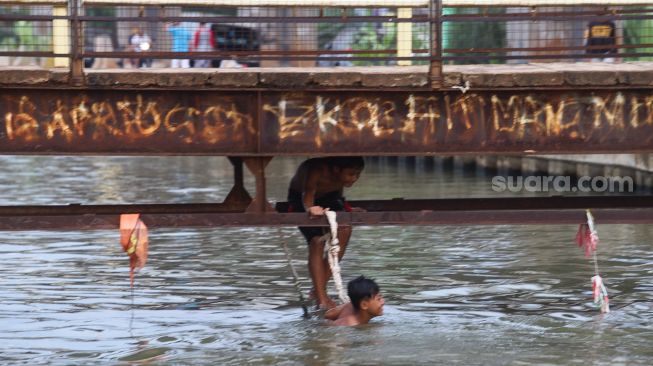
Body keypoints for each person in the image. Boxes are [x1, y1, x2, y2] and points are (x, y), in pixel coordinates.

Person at [286, 157, 365, 310]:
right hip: (301, 197)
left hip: (328, 197)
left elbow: (337, 194)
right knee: (317, 241)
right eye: (351, 174)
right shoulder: (317, 170)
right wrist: (311, 208)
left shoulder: (340, 177)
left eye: (357, 175)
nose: (354, 179)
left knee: (345, 229)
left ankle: (318, 289)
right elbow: (307, 194)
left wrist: (346, 207)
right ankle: (321, 298)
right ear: (336, 170)